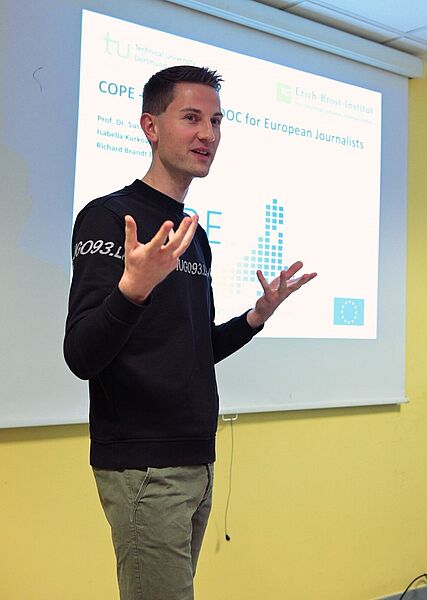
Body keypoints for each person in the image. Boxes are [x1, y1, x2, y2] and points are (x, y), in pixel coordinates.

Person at [64, 65, 316, 600]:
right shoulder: (109, 218)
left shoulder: (192, 234)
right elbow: (81, 355)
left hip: (196, 457)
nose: (208, 134)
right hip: (144, 464)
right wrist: (131, 290)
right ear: (150, 127)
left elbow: (194, 351)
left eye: (216, 121)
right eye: (192, 118)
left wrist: (256, 317)